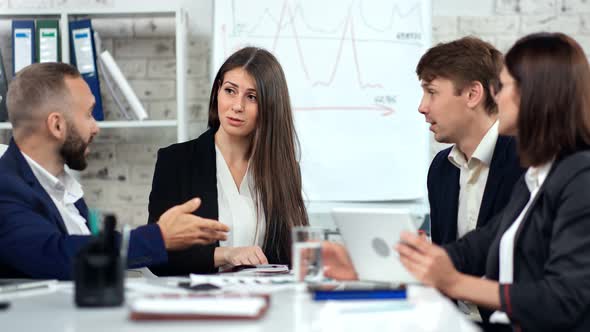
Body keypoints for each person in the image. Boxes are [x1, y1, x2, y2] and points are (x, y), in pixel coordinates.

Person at [396, 33, 590, 332]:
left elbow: (566, 298)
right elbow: (478, 245)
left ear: (536, 94)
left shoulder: (580, 176)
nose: (496, 97)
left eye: (505, 87)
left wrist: (455, 282)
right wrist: (394, 259)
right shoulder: (538, 176)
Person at [0, 63, 229, 280]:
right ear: (57, 125)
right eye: (89, 114)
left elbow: (90, 261)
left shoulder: (61, 189)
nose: (95, 127)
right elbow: (55, 256)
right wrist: (159, 236)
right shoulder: (6, 188)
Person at [148, 47, 309, 275]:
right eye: (230, 91)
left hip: (265, 302)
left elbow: (289, 256)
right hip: (199, 304)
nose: (237, 106)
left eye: (251, 97)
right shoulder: (175, 161)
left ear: (270, 107)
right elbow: (156, 255)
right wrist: (225, 255)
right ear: (217, 92)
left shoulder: (285, 170)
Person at [417, 36, 524, 246]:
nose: (422, 107)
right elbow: (447, 262)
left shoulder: (527, 161)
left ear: (472, 94)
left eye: (432, 92)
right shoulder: (440, 169)